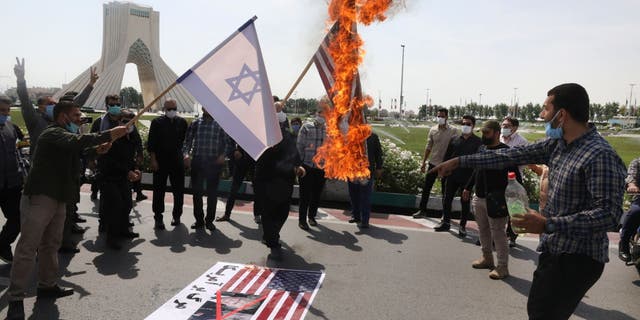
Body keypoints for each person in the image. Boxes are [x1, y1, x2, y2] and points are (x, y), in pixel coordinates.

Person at [430, 83, 627, 319]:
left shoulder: (599, 155)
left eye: (545, 109)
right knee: (539, 310)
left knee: (542, 312)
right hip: (554, 249)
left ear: (561, 115)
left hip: (578, 258)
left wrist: (548, 224)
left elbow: (609, 214)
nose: (542, 115)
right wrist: (460, 162)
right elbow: (510, 155)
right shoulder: (559, 144)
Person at [6, 101, 127, 319]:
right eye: (76, 115)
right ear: (63, 117)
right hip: (41, 197)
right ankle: (15, 298)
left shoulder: (65, 137)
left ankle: (47, 285)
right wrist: (108, 134)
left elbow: (78, 150)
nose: (80, 119)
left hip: (59, 198)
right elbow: (75, 142)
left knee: (51, 244)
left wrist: (97, 150)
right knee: (28, 246)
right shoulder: (52, 133)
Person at [463, 120, 520, 280]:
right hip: (479, 196)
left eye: (487, 133)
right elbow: (477, 170)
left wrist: (515, 202)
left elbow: (516, 178)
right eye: (482, 133)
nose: (484, 136)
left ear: (496, 133)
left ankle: (502, 266)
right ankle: (487, 258)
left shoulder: (506, 152)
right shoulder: (482, 149)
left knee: (499, 233)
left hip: (497, 200)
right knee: (483, 230)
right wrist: (468, 187)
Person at [14, 58, 98, 157]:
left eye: (55, 103)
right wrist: (20, 80)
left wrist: (91, 84)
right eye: (50, 104)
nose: (54, 106)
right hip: (42, 167)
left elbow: (76, 103)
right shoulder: (35, 121)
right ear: (41, 108)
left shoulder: (61, 120)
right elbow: (25, 100)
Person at [255, 111, 305, 260]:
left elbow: (295, 156)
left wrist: (298, 167)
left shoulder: (288, 137)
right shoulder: (262, 137)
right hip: (266, 180)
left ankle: (271, 234)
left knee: (283, 212)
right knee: (268, 212)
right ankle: (273, 244)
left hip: (285, 181)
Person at [98, 109, 141, 249]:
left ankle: (123, 230)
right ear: (118, 121)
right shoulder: (111, 137)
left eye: (131, 121)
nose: (128, 124)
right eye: (125, 120)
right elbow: (109, 160)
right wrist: (127, 171)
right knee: (115, 207)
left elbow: (130, 157)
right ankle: (112, 237)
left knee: (127, 204)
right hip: (110, 177)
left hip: (123, 177)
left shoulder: (132, 137)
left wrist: (134, 169)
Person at [183, 107, 228, 231]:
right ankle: (199, 220)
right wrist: (186, 154)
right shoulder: (195, 123)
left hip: (213, 163)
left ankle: (209, 221)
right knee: (197, 193)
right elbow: (187, 141)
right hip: (198, 161)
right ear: (202, 108)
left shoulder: (220, 124)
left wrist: (223, 155)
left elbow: (227, 143)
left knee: (212, 194)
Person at [500, 116, 542, 247]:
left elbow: (529, 160)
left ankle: (512, 236)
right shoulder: (499, 138)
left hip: (514, 180)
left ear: (515, 128)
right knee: (500, 208)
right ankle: (499, 236)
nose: (504, 128)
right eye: (503, 125)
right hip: (499, 179)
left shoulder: (521, 142)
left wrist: (538, 171)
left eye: (507, 126)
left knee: (514, 209)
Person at [437, 115, 481, 236]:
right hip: (452, 175)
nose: (465, 126)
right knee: (447, 199)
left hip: (467, 177)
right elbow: (447, 157)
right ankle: (445, 222)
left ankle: (462, 226)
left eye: (468, 124)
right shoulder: (454, 139)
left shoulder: (478, 142)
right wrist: (443, 171)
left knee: (465, 202)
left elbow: (478, 162)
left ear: (473, 126)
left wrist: (473, 180)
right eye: (464, 124)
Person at [147, 99, 188, 230]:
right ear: (164, 109)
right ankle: (158, 218)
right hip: (160, 161)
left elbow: (186, 143)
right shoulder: (157, 123)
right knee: (159, 191)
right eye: (169, 109)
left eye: (173, 108)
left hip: (177, 162)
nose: (171, 111)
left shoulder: (182, 122)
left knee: (178, 191)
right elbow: (151, 143)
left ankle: (177, 216)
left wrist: (186, 156)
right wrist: (153, 160)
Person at [414, 108, 459, 220]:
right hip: (433, 163)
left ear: (447, 117)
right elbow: (428, 147)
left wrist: (452, 165)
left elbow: (455, 148)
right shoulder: (433, 130)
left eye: (442, 116)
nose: (440, 118)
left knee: (446, 191)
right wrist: (423, 162)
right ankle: (422, 210)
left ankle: (445, 214)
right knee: (426, 188)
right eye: (439, 116)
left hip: (446, 165)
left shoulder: (453, 130)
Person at [296, 103, 327, 230]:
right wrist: (301, 163)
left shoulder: (329, 129)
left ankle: (312, 217)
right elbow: (299, 146)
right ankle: (302, 220)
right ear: (316, 114)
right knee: (304, 195)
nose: (322, 116)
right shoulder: (306, 127)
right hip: (307, 166)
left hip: (321, 168)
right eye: (321, 113)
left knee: (317, 194)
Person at [0, 95, 23, 263]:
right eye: (2, 110)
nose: (6, 114)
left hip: (11, 183)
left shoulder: (10, 126)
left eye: (7, 110)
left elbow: (15, 152)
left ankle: (2, 243)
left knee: (18, 217)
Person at [347, 131, 383, 229]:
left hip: (366, 171)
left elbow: (378, 153)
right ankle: (356, 216)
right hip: (352, 170)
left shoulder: (373, 136)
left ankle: (365, 220)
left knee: (365, 197)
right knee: (353, 194)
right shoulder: (350, 135)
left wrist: (379, 167)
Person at [215, 140, 256, 223]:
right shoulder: (241, 128)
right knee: (233, 190)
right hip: (240, 162)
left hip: (254, 161)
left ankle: (258, 214)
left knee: (258, 189)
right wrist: (235, 151)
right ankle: (227, 214)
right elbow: (230, 142)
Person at [619, 157, 640, 262]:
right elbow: (631, 175)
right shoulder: (637, 162)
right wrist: (632, 185)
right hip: (639, 198)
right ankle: (624, 245)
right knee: (635, 212)